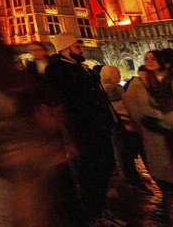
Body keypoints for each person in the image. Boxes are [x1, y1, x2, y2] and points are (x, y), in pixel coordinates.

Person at [0, 8, 76, 226]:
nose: (1, 23)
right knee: (9, 211)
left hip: (8, 146)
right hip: (9, 147)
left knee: (16, 208)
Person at [45, 34, 117, 224]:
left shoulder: (81, 67)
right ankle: (94, 213)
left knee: (105, 165)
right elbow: (60, 101)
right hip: (82, 129)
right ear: (65, 48)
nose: (81, 49)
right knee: (90, 172)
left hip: (98, 126)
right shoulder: (57, 70)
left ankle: (100, 209)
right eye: (77, 46)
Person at [124, 50, 173, 219]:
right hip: (158, 138)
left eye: (153, 58)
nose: (149, 61)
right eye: (146, 59)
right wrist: (157, 121)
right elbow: (136, 110)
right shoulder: (138, 84)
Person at [100, 64, 151, 194]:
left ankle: (134, 177)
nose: (119, 75)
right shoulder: (112, 89)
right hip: (122, 126)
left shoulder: (115, 87)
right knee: (126, 153)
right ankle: (133, 179)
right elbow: (120, 107)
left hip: (123, 126)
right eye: (116, 73)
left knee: (128, 152)